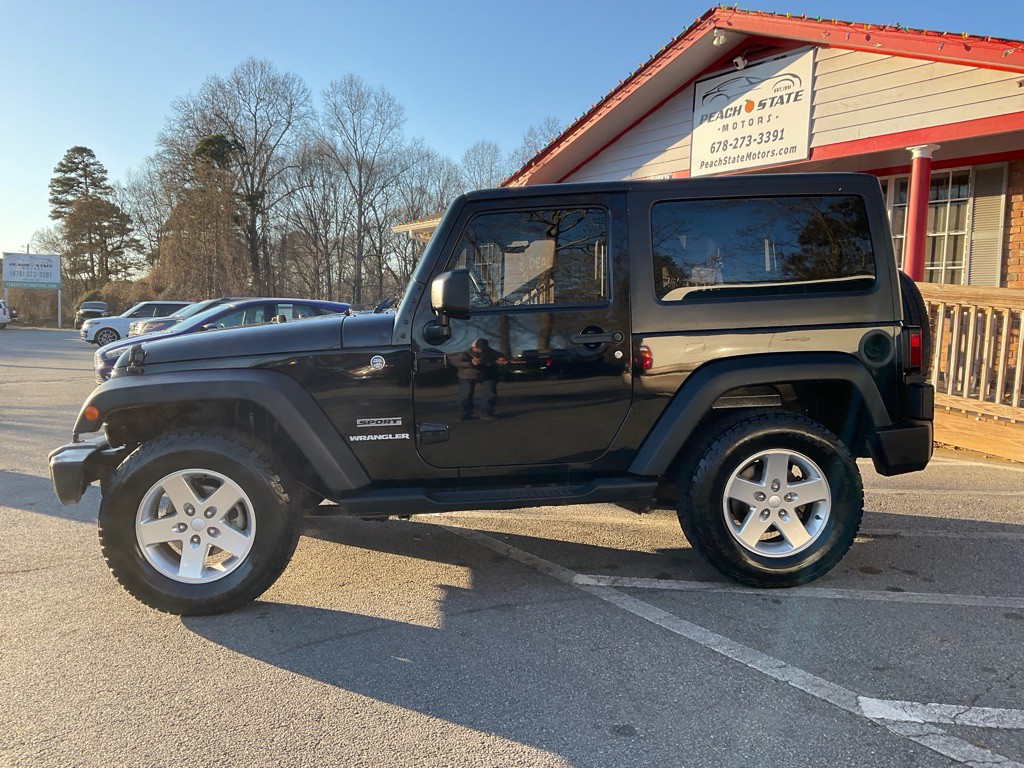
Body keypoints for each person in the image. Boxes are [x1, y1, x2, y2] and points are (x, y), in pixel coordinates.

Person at [452, 338, 505, 420]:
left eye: (483, 348)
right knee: (466, 394)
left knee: (490, 392)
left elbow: (501, 356)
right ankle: (465, 413)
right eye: (478, 348)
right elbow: (455, 363)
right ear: (473, 347)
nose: (480, 350)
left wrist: (501, 359)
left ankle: (486, 412)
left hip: (486, 375)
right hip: (467, 376)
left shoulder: (490, 351)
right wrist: (470, 363)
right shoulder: (464, 354)